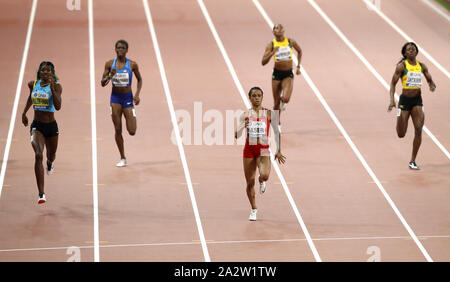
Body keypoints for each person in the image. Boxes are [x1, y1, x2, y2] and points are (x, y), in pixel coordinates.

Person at [235, 87, 286, 221]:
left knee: (264, 175)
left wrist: (278, 150)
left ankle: (261, 181)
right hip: (249, 150)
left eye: (259, 95)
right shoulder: (245, 115)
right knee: (249, 182)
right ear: (250, 98)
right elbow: (236, 135)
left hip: (263, 149)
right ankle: (253, 209)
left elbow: (276, 132)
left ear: (262, 97)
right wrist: (243, 126)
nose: (256, 98)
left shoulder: (269, 114)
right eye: (254, 96)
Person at [388, 42, 436, 170]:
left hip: (417, 101)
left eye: (413, 49)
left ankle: (412, 161)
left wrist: (432, 85)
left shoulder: (422, 66)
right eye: (408, 49)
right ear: (404, 53)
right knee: (401, 134)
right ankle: (400, 115)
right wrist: (392, 100)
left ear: (416, 52)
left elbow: (430, 80)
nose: (411, 51)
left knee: (419, 129)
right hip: (404, 101)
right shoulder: (401, 66)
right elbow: (393, 84)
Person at [22, 61, 62, 204]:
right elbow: (30, 97)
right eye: (43, 71)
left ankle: (50, 163)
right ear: (39, 72)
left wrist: (52, 88)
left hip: (51, 127)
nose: (45, 73)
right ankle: (41, 194)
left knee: (51, 155)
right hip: (37, 126)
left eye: (48, 71)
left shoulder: (57, 86)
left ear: (52, 73)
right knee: (38, 154)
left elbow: (58, 106)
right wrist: (24, 112)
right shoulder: (33, 84)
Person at [101, 39, 142, 167]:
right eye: (118, 48)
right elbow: (102, 83)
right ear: (115, 49)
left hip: (128, 98)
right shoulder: (109, 64)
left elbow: (140, 80)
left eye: (123, 48)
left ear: (126, 50)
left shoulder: (133, 65)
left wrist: (137, 94)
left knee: (132, 131)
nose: (120, 50)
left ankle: (132, 116)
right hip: (115, 99)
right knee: (118, 129)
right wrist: (109, 76)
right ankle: (123, 157)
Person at [261, 24, 302, 117]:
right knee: (276, 103)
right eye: (276, 29)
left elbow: (300, 51)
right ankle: (277, 122)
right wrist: (272, 53)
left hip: (288, 74)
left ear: (284, 30)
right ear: (273, 32)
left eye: (280, 28)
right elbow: (263, 62)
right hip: (276, 74)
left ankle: (282, 103)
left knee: (286, 98)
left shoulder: (290, 42)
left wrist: (298, 67)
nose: (278, 30)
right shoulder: (271, 45)